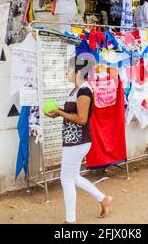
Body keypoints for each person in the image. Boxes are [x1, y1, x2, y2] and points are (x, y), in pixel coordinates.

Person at [44, 57, 112, 224]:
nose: (66, 73)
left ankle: (70, 221)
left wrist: (60, 113)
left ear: (78, 72)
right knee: (73, 177)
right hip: (73, 140)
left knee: (66, 179)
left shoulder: (84, 90)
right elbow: (72, 114)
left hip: (78, 141)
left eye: (68, 70)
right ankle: (103, 199)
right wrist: (57, 111)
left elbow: (81, 119)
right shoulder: (76, 90)